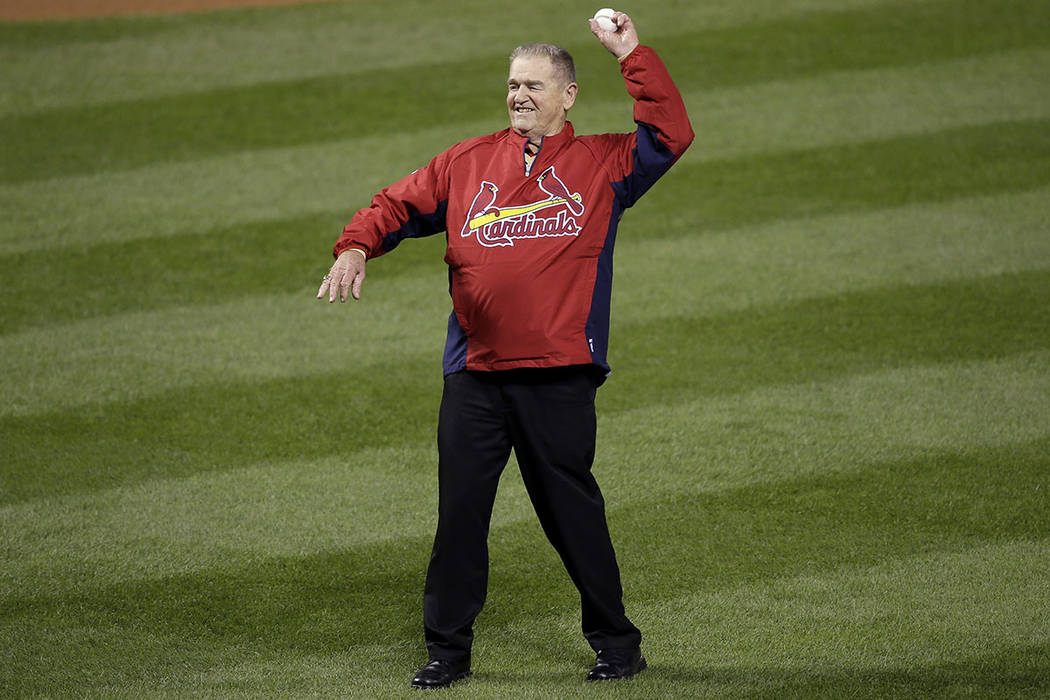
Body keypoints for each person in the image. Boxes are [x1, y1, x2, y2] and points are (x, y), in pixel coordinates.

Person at [317, 11, 693, 689]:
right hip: (476, 378)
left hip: (557, 376)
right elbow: (396, 205)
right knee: (460, 516)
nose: (520, 94)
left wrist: (631, 53)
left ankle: (617, 641)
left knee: (572, 515)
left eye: (534, 85)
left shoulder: (605, 164)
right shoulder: (466, 162)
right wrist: (356, 243)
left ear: (568, 95)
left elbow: (671, 133)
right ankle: (448, 651)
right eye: (513, 83)